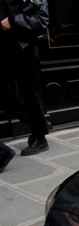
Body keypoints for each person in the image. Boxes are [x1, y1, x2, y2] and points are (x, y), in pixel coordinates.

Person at [0, 0, 50, 166]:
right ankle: (39, 123)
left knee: (29, 91)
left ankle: (40, 137)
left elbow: (42, 17)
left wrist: (14, 21)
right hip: (4, 47)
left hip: (24, 46)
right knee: (4, 91)